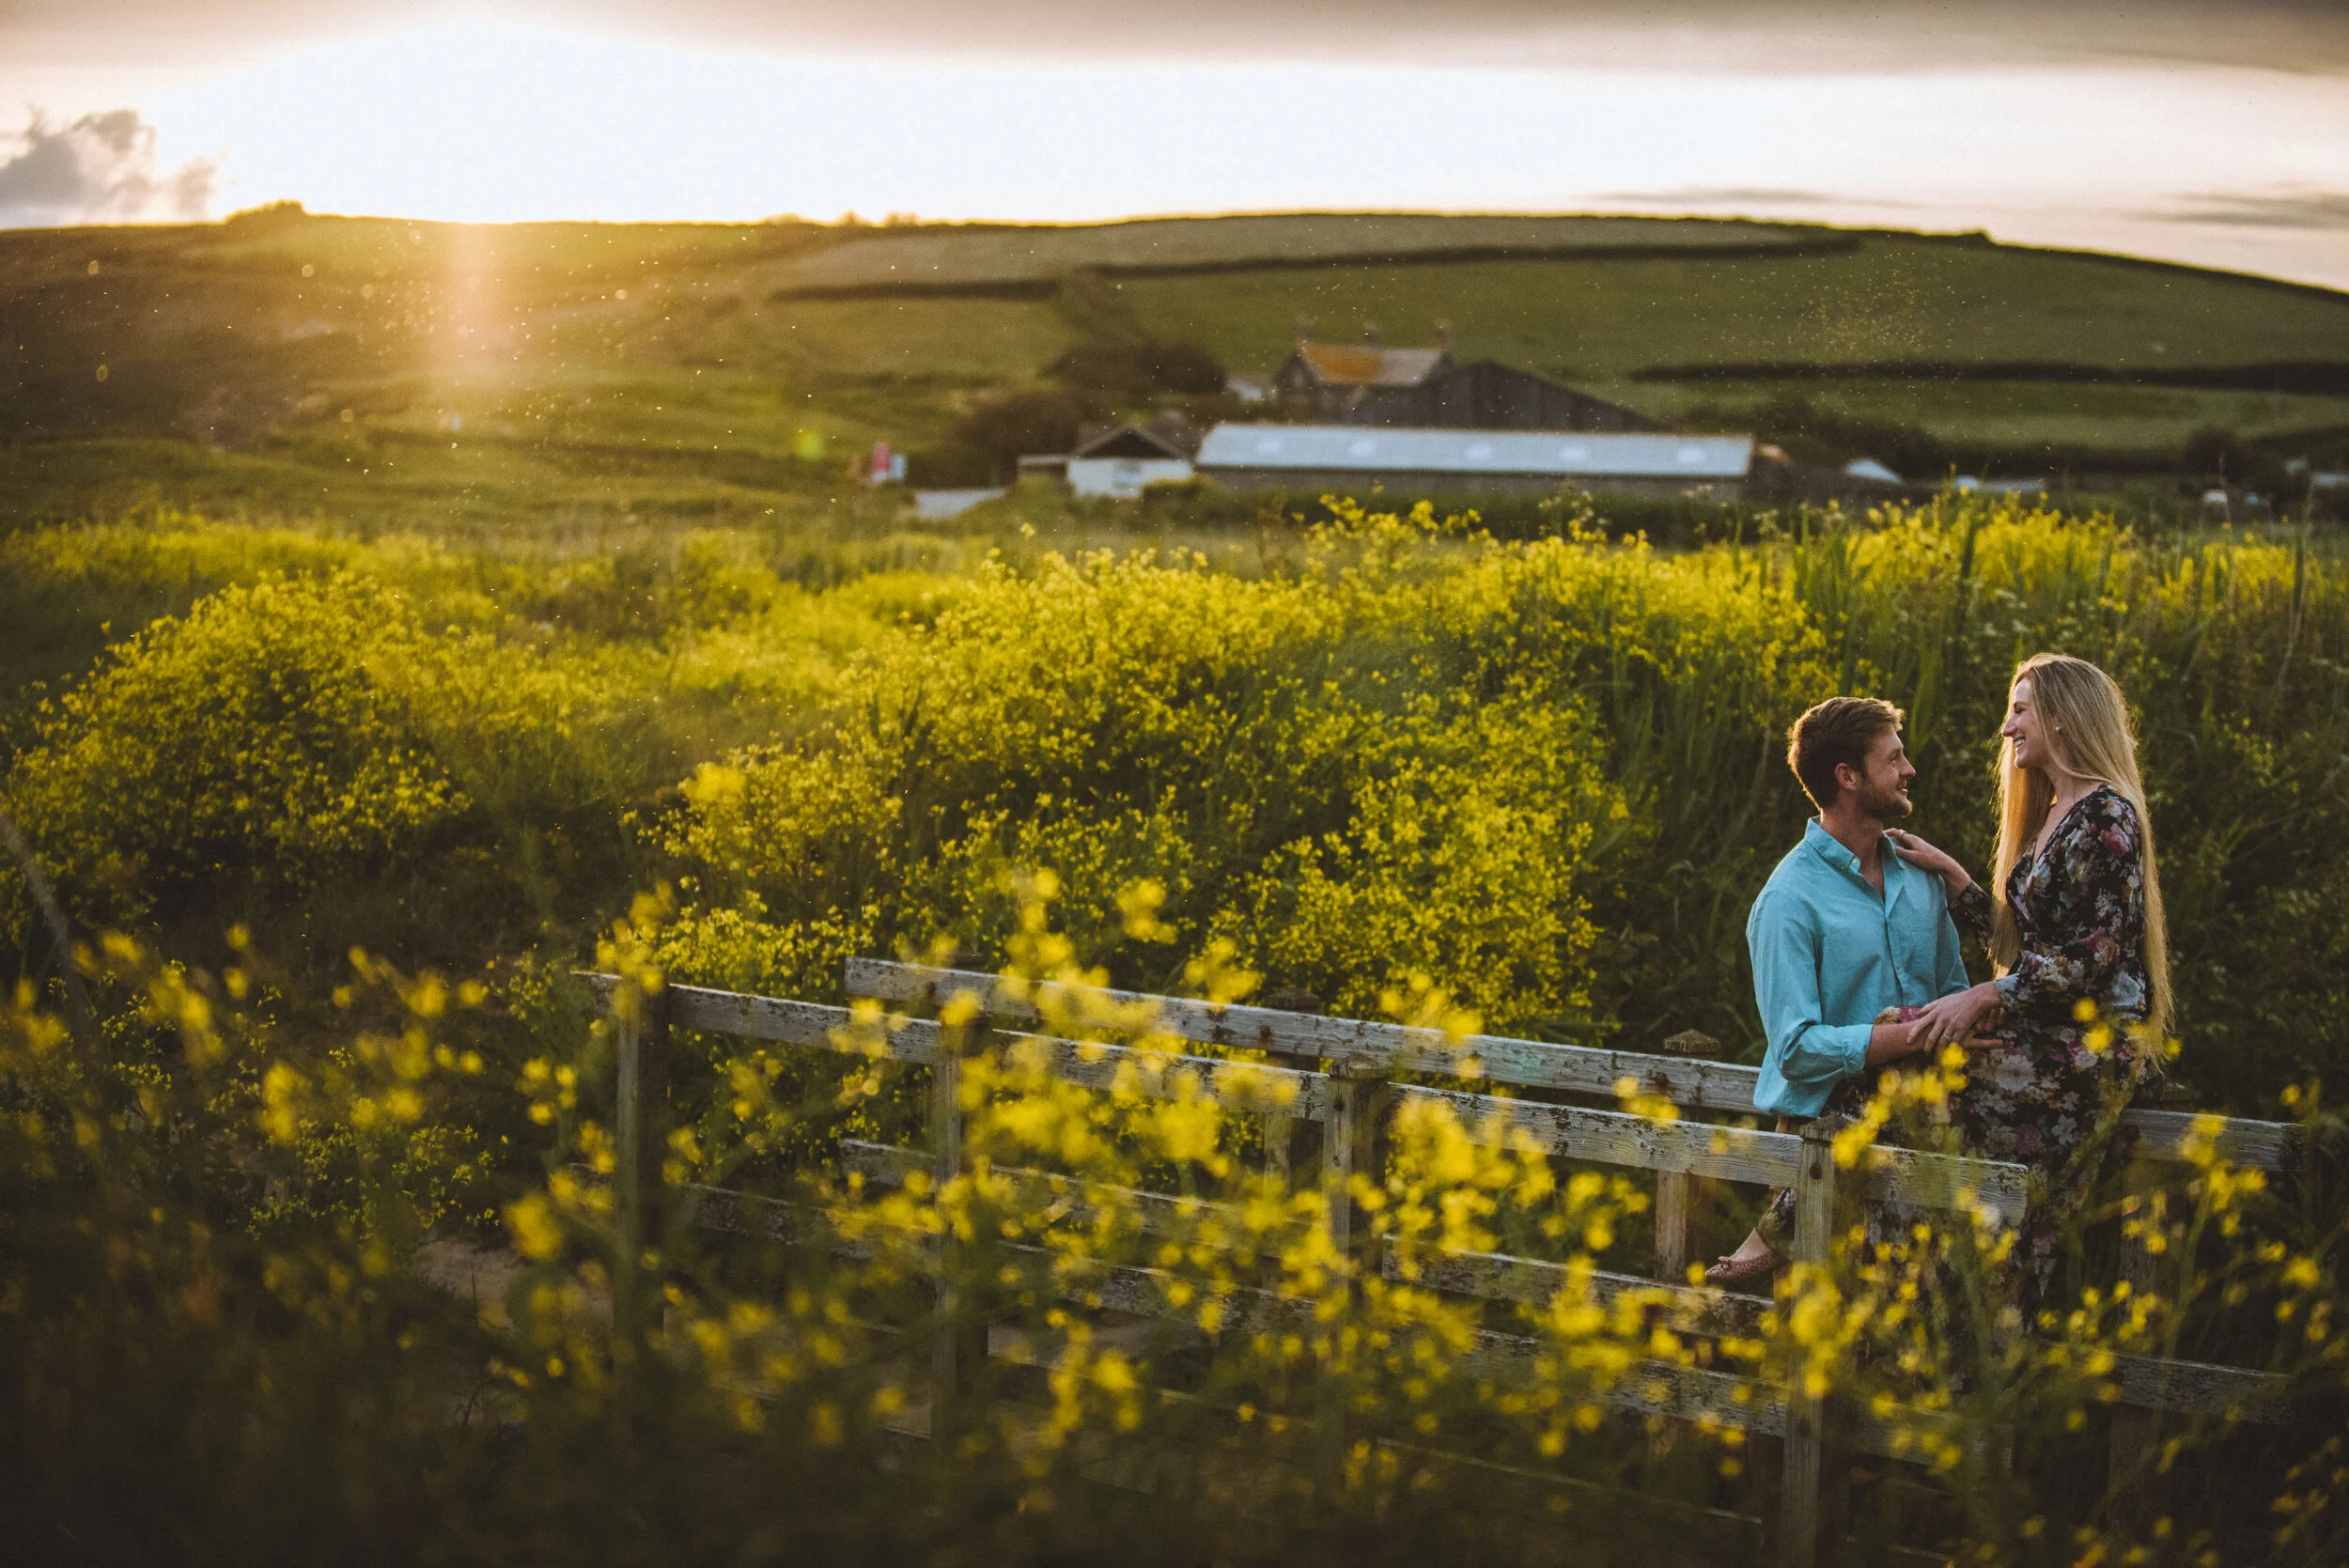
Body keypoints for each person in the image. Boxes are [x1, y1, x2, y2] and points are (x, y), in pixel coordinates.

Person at [1884, 653, 2170, 1318]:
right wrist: (1954, 876)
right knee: (1899, 1039)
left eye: (2020, 710)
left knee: (1916, 1070)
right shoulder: (2055, 812)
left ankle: (1893, 1269)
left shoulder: (2107, 815)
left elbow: (2095, 956)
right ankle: (1919, 1280)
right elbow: (2028, 945)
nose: (2007, 726)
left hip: (2088, 1045)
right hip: (2046, 1029)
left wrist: (1988, 994)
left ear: (2062, 717)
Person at [1704, 696, 1979, 1285]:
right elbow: (1796, 1050)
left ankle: (1771, 1235)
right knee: (1827, 1324)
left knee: (1919, 1315)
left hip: (1926, 1136)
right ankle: (1780, 1230)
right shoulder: (1788, 900)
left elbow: (1954, 995)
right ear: (1848, 777)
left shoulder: (1921, 876)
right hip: (1822, 1144)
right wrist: (1910, 1036)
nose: (1909, 770)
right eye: (1893, 759)